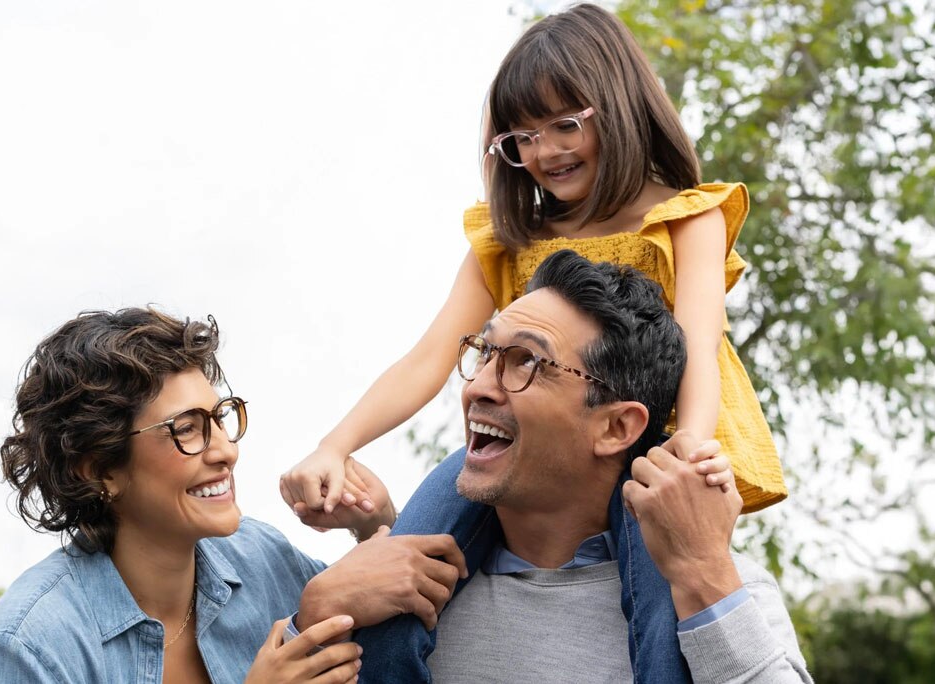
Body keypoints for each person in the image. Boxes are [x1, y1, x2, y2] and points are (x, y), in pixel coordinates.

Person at [282, 3, 786, 681]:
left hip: (649, 446)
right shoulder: (511, 238)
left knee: (662, 611)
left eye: (565, 124)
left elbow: (699, 341)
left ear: (619, 107)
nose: (545, 152)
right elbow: (430, 357)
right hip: (529, 442)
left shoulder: (684, 218)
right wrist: (336, 445)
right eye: (521, 137)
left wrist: (689, 451)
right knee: (401, 571)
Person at [337, 250, 805, 682]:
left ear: (617, 427)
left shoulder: (727, 596)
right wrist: (317, 613)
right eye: (485, 352)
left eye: (527, 361)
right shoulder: (389, 589)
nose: (477, 387)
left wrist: (703, 574)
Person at [0, 308, 466, 684]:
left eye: (220, 418)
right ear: (100, 470)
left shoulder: (259, 558)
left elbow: (378, 612)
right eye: (186, 429)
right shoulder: (32, 644)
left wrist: (371, 520)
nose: (226, 451)